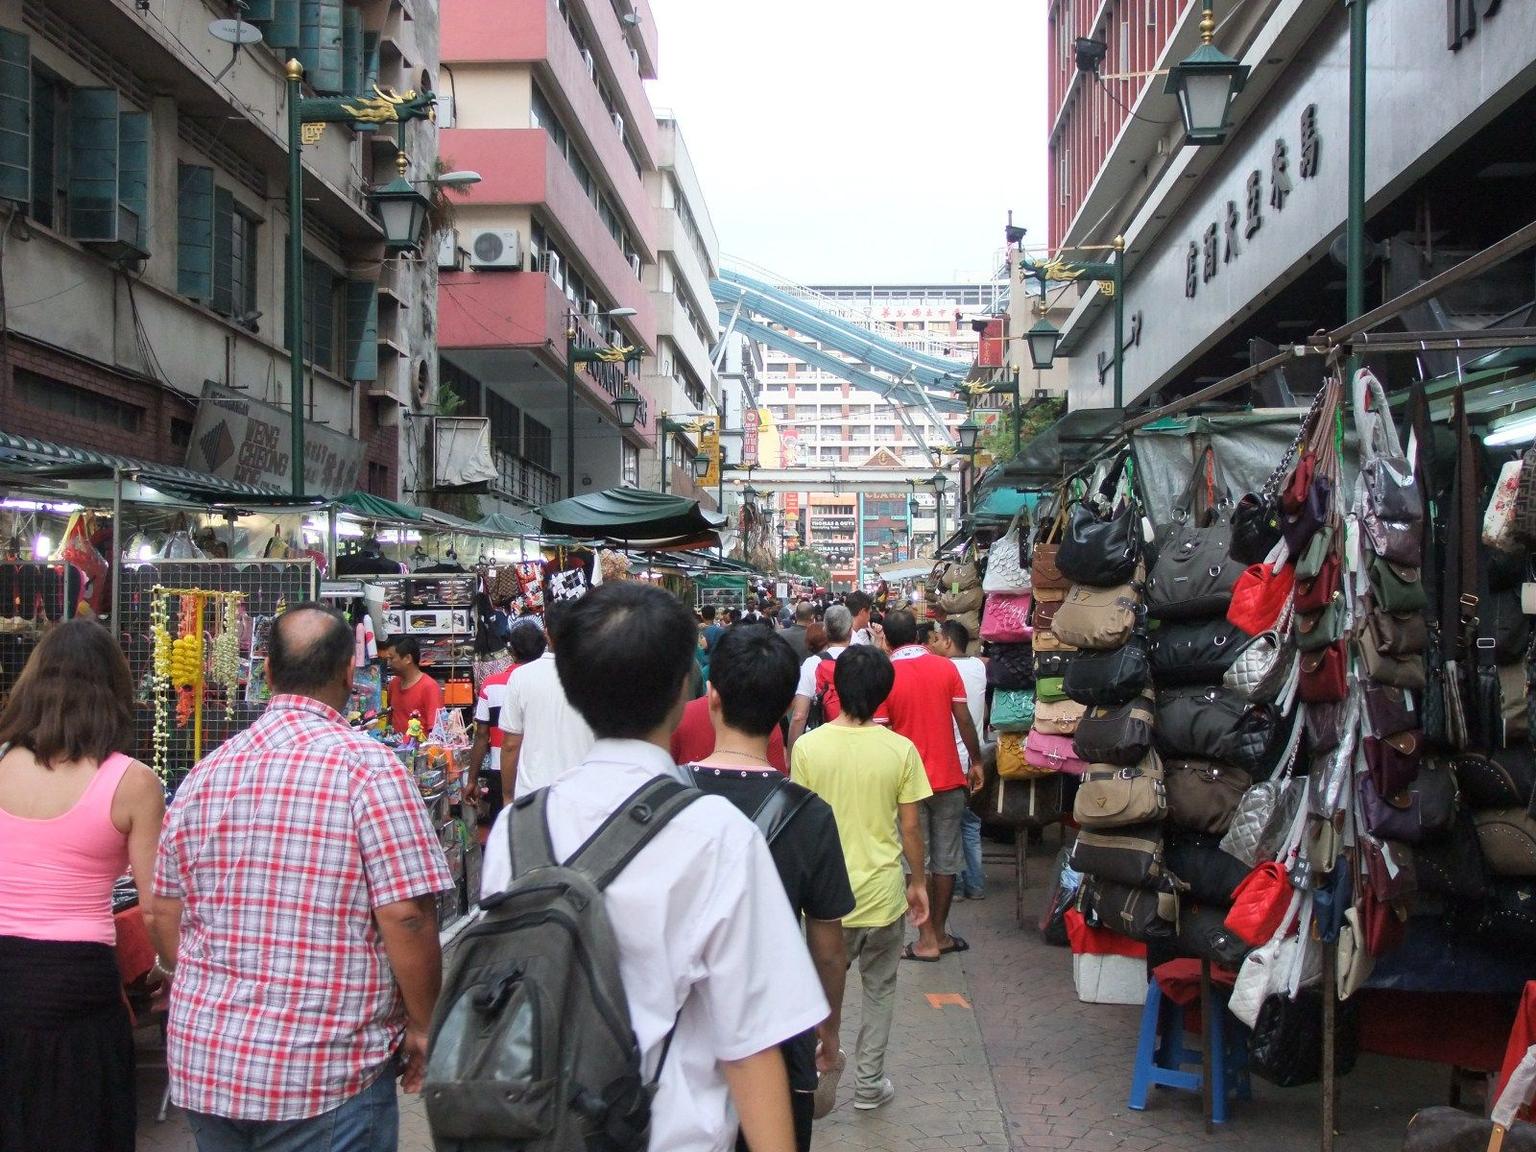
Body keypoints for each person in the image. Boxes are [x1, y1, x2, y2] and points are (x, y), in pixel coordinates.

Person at [480, 582, 829, 1152]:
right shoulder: (719, 836)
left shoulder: (516, 831)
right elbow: (751, 1045)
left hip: (539, 1128)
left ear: (571, 688)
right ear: (684, 688)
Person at [153, 603, 451, 1150]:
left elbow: (164, 912)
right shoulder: (370, 769)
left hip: (208, 1061)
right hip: (323, 1069)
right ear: (347, 674)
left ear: (266, 673)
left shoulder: (205, 774)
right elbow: (406, 916)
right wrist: (426, 1025)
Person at [680, 624, 855, 1152]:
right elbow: (828, 948)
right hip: (777, 1035)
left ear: (712, 698)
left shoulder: (661, 800)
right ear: (784, 708)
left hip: (677, 1034)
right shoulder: (811, 814)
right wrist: (828, 1028)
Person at [0, 619, 166, 1152]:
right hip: (78, 979)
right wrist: (169, 967)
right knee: (79, 1121)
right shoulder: (132, 781)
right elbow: (157, 906)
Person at [790, 645, 930, 1112]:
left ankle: (817, 1068)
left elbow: (802, 823)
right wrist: (918, 882)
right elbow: (910, 827)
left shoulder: (808, 748)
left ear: (833, 689)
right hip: (882, 895)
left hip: (825, 902)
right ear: (884, 693)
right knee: (881, 988)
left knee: (821, 989)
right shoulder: (900, 750)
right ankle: (870, 1084)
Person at [878, 609, 982, 962]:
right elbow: (964, 719)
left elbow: (881, 732)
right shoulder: (945, 667)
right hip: (949, 777)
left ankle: (925, 941)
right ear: (920, 637)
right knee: (946, 860)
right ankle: (939, 932)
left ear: (887, 640)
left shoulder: (886, 674)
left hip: (908, 785)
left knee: (914, 861)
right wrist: (977, 760)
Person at [498, 600, 595, 801]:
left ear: (546, 633)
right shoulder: (599, 674)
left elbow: (510, 745)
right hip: (585, 797)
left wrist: (507, 796)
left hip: (533, 797)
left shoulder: (521, 677)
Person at [466, 618, 548, 821]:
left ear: (512, 652)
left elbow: (482, 736)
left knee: (503, 833)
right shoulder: (552, 682)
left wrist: (472, 780)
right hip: (538, 770)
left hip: (501, 771)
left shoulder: (491, 685)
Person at [930, 620, 989, 900]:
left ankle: (953, 887)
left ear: (948, 642)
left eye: (938, 638)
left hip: (953, 757)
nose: (935, 643)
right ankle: (975, 884)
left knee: (950, 825)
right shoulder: (978, 667)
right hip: (975, 754)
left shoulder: (944, 669)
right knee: (970, 823)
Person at [786, 604, 855, 751]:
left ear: (825, 630)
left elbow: (799, 716)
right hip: (858, 744)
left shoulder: (812, 664)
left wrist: (791, 756)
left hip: (821, 746)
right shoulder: (863, 661)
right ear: (850, 631)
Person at [382, 634, 442, 734]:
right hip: (396, 746)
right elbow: (390, 717)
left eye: (391, 658)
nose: (389, 663)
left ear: (408, 658)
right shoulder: (394, 684)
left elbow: (436, 729)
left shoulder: (430, 687)